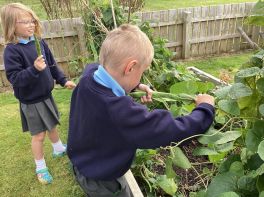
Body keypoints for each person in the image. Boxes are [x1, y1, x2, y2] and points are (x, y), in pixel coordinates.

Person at [67, 24, 215, 197]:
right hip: (103, 181)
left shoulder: (88, 77)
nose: (141, 76)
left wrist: (134, 85)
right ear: (130, 68)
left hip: (85, 161)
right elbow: (171, 130)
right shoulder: (119, 112)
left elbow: (97, 70)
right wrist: (205, 108)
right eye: (142, 72)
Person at [1, 3, 76, 184]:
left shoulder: (39, 42)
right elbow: (15, 78)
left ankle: (58, 148)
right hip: (31, 100)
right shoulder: (12, 50)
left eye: (32, 20)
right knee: (39, 135)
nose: (31, 24)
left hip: (46, 95)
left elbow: (51, 65)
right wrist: (34, 69)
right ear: (12, 25)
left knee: (52, 124)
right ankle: (40, 167)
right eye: (24, 21)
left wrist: (63, 80)